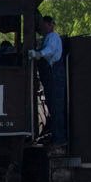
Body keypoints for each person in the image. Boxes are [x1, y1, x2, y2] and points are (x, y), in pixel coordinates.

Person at [28, 14, 67, 148]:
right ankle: (56, 136)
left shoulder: (53, 37)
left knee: (57, 107)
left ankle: (60, 139)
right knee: (52, 106)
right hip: (50, 75)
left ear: (50, 25)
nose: (43, 28)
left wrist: (38, 54)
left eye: (45, 25)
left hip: (55, 74)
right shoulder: (45, 38)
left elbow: (49, 51)